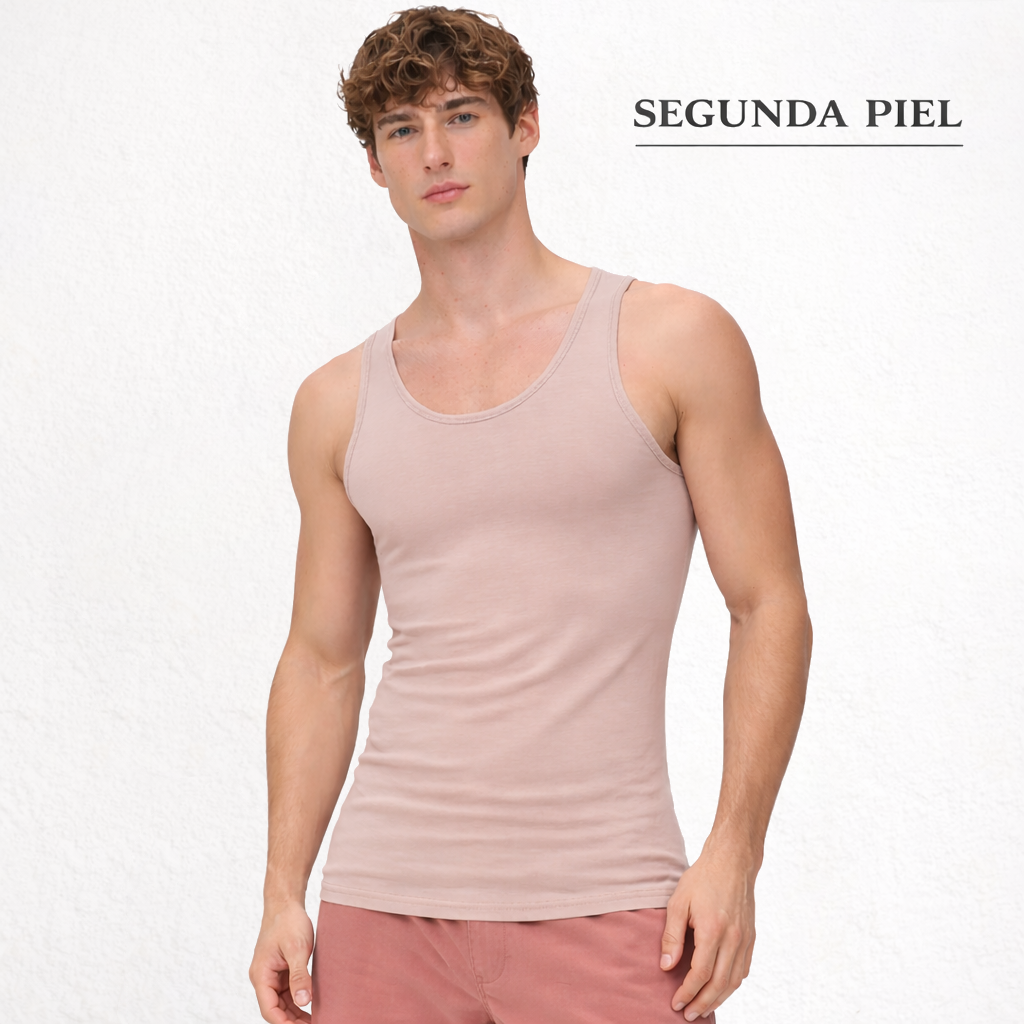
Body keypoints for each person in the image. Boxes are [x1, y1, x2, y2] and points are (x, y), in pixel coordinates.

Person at [248, 7, 812, 1023]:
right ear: (375, 165)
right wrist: (282, 888)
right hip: (382, 906)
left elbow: (768, 603)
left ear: (526, 127)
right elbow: (323, 657)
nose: (434, 152)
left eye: (461, 115)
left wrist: (735, 851)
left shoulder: (668, 341)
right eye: (402, 130)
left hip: (613, 899)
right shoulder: (335, 402)